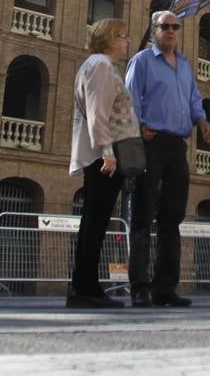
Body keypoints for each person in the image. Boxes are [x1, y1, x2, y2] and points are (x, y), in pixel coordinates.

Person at [124, 10, 210, 308]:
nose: (171, 31)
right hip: (150, 143)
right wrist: (138, 126)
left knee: (172, 217)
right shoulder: (141, 61)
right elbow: (129, 98)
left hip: (177, 146)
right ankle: (139, 287)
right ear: (154, 30)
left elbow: (193, 99)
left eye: (176, 27)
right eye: (165, 27)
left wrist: (202, 121)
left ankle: (165, 288)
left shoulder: (185, 65)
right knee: (142, 214)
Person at [67, 18, 138, 308]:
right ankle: (85, 287)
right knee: (95, 221)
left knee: (94, 221)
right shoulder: (101, 65)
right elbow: (98, 111)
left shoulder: (95, 64)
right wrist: (107, 151)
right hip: (106, 156)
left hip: (104, 152)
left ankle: (85, 285)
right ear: (107, 38)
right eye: (122, 36)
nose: (127, 42)